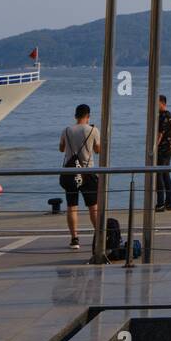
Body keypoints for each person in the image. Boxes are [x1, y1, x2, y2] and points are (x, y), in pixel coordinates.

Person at [59, 103, 100, 249]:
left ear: (75, 116)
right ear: (88, 116)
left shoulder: (67, 130)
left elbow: (61, 148)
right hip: (87, 173)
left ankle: (74, 239)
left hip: (70, 173)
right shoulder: (93, 130)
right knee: (93, 207)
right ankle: (99, 235)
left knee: (72, 207)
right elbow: (98, 150)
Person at [155, 94, 171, 212]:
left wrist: (153, 148)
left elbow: (160, 134)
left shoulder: (163, 116)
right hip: (169, 148)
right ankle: (169, 203)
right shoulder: (170, 115)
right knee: (166, 175)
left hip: (162, 149)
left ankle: (161, 203)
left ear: (162, 103)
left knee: (159, 175)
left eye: (156, 103)